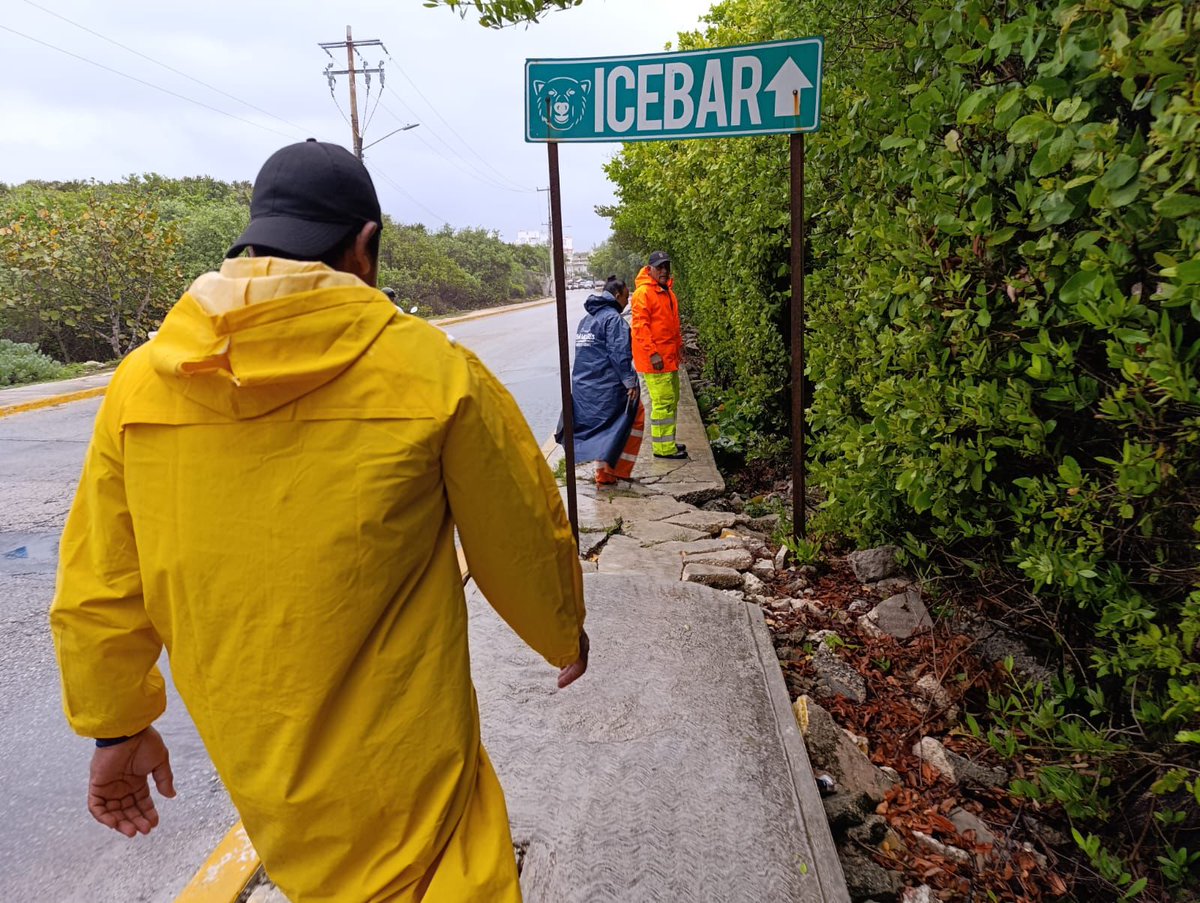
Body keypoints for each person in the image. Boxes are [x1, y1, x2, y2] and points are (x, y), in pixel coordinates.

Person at [50, 140, 588, 903]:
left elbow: (98, 581)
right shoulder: (431, 370)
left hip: (267, 789)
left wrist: (115, 729)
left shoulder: (142, 384)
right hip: (412, 782)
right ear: (365, 246)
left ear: (253, 239)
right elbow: (522, 530)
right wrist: (562, 629)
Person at [558, 275, 644, 486]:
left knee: (602, 429)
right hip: (607, 386)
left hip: (585, 388)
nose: (627, 302)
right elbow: (619, 354)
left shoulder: (586, 320)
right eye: (626, 296)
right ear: (617, 296)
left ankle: (604, 474)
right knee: (634, 417)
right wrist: (630, 383)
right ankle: (617, 471)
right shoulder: (614, 320)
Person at [630, 250, 687, 460]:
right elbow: (640, 327)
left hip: (668, 357)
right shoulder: (643, 293)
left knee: (671, 400)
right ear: (650, 269)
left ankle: (668, 442)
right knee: (662, 402)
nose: (664, 271)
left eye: (666, 267)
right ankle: (663, 448)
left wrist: (679, 348)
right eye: (660, 267)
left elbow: (672, 326)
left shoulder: (667, 292)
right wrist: (653, 354)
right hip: (656, 360)